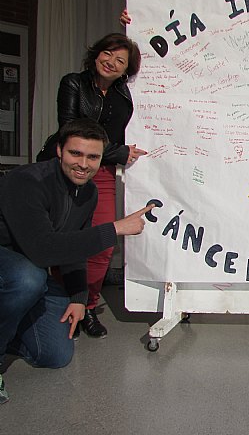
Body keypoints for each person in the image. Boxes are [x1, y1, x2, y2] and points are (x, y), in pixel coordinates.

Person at [0, 118, 153, 404]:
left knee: (55, 355)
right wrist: (115, 229)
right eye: (75, 153)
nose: (83, 164)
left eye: (93, 157)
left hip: (29, 267)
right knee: (28, 278)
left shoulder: (88, 192)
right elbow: (43, 251)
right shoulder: (27, 181)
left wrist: (78, 297)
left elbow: (72, 245)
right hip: (14, 264)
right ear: (59, 150)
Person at [55, 32, 148, 338]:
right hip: (68, 171)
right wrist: (118, 153)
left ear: (126, 70)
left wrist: (141, 20)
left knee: (103, 243)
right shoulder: (73, 83)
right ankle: (61, 303)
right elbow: (69, 132)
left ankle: (88, 305)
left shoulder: (125, 93)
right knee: (65, 239)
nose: (111, 62)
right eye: (107, 53)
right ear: (96, 54)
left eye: (120, 60)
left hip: (103, 174)